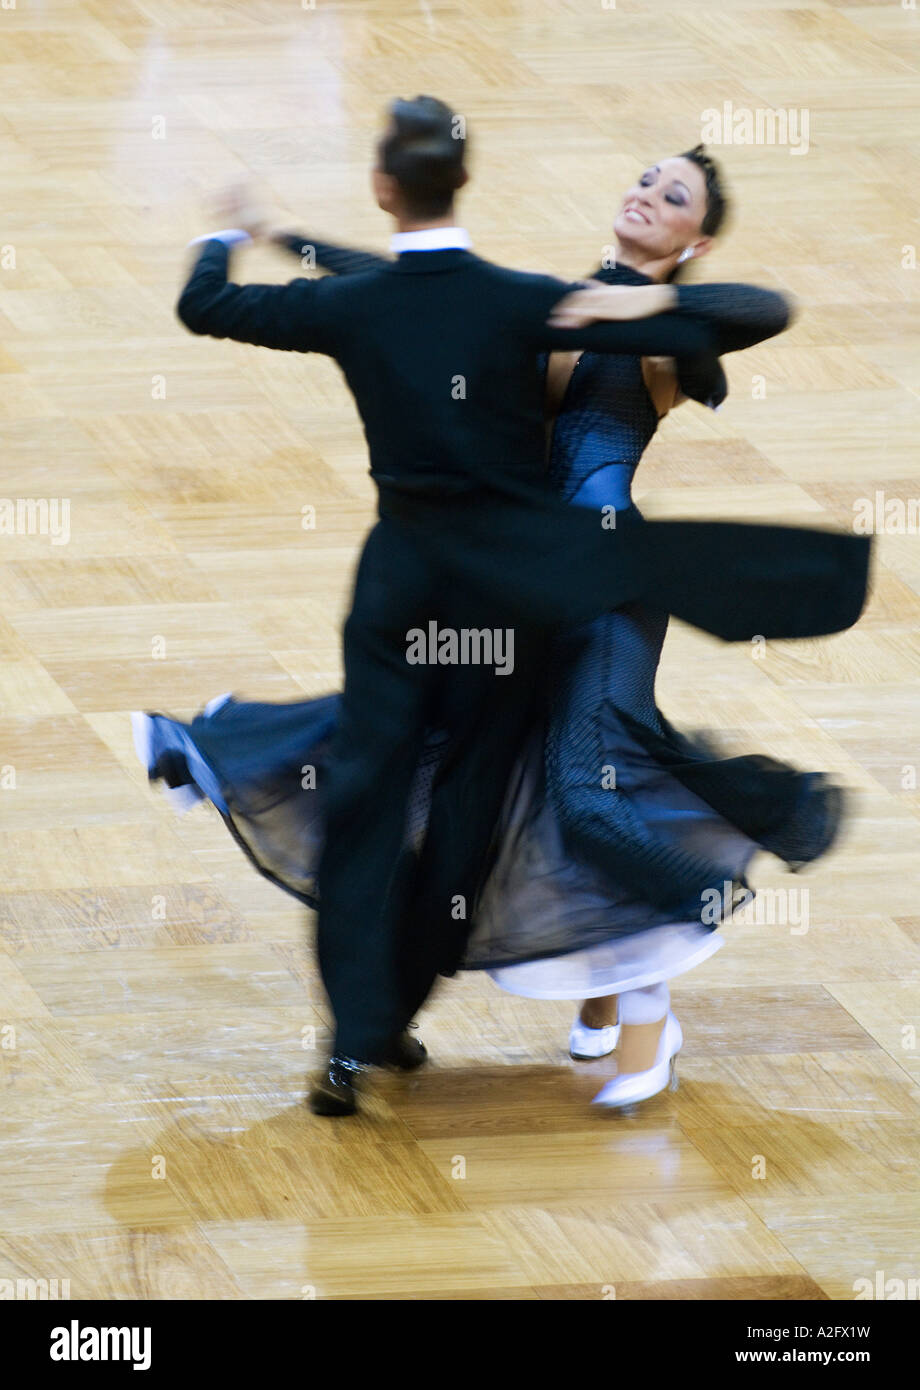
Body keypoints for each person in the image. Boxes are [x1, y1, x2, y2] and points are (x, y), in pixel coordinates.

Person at [160, 96, 870, 1115]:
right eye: (643, 177)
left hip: (600, 588)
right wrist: (284, 237)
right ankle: (590, 1002)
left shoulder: (652, 332)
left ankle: (680, 946)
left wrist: (634, 304)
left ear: (694, 237)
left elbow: (762, 308)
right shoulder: (538, 299)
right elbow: (403, 290)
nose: (646, 193)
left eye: (673, 196)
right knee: (511, 797)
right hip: (517, 584)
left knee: (580, 797)